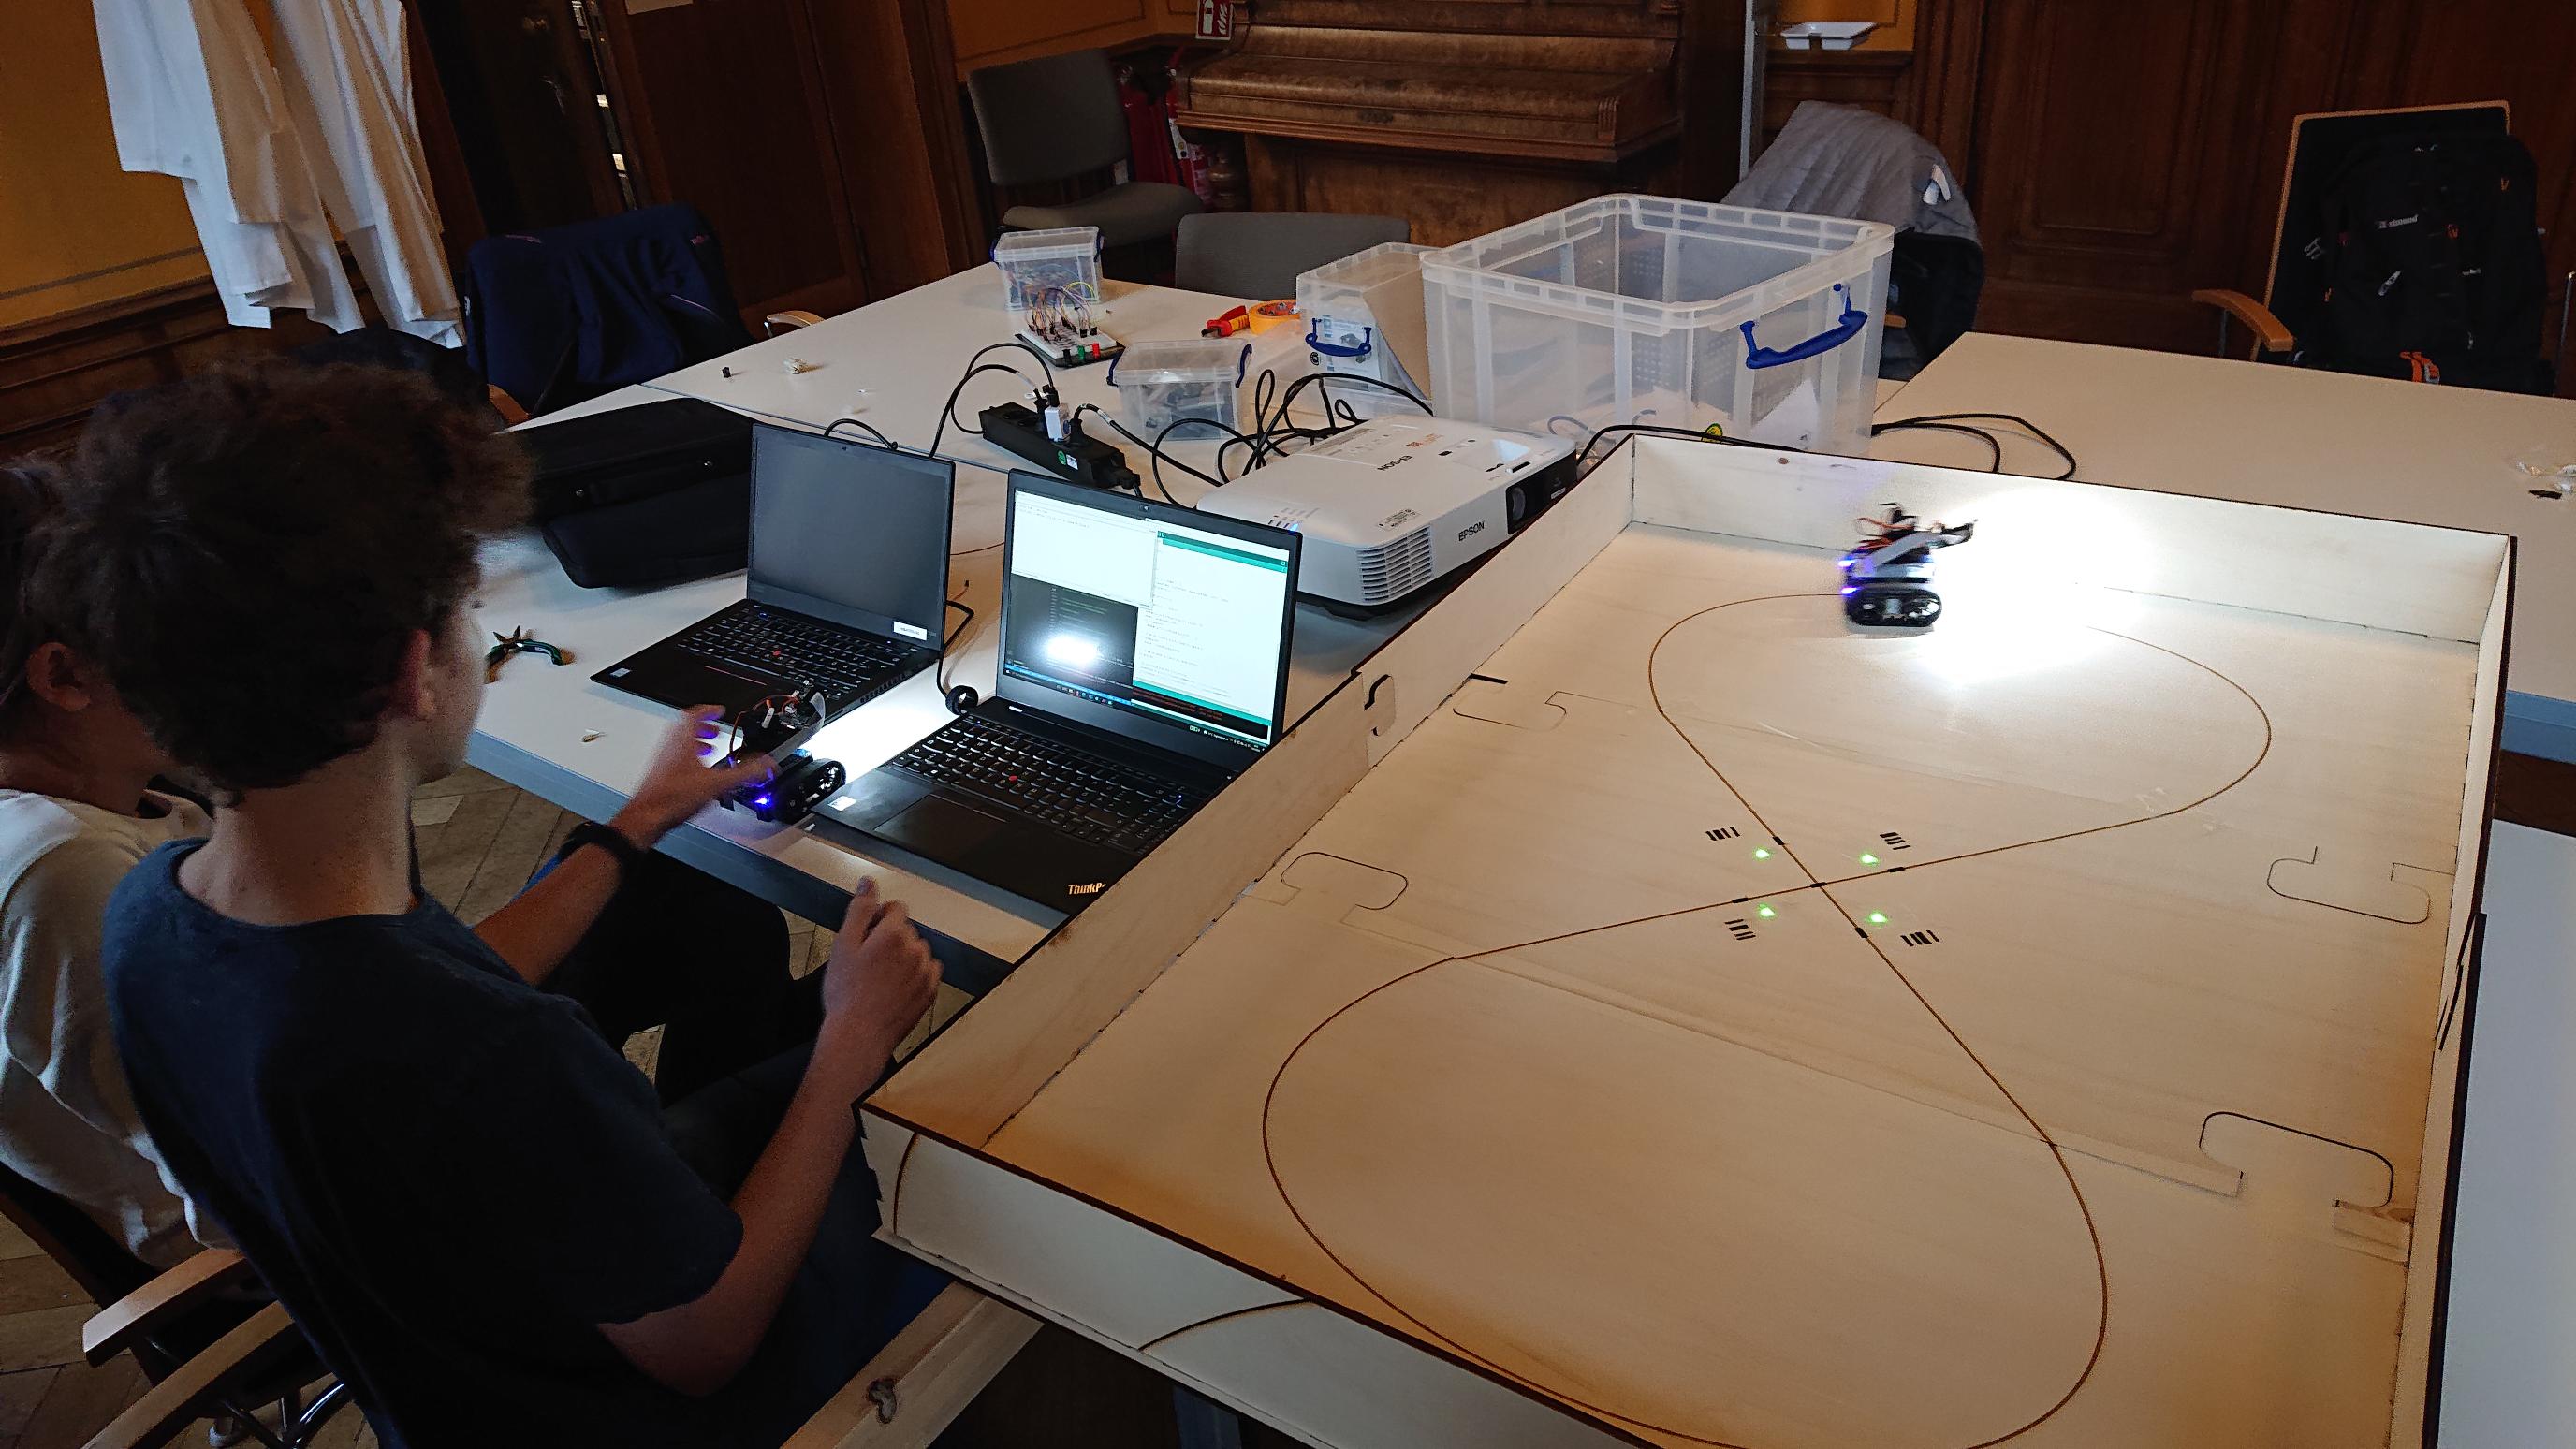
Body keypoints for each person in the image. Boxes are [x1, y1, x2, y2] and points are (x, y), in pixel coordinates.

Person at [50, 361, 942, 1449]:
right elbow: (707, 1347)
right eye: (472, 608)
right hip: (685, 1401)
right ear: (412, 672)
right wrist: (851, 1046)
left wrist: (635, 823)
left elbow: (419, 1000)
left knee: (708, 929)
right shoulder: (479, 1050)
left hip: (453, 1380)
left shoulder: (154, 917)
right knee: (934, 1100)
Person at [0, 460, 213, 1268]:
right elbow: (233, 1168)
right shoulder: (66, 869)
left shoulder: (104, 811)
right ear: (61, 674)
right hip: (256, 1256)